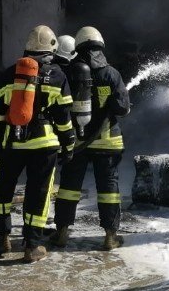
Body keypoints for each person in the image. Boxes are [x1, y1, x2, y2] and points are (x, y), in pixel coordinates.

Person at [0, 25, 75, 263]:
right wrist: (69, 144)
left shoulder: (8, 74)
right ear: (51, 49)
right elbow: (64, 117)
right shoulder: (57, 75)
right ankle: (31, 246)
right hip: (44, 145)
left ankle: (3, 239)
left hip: (11, 144)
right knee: (38, 193)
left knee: (2, 190)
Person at [50, 26, 130, 251]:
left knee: (68, 187)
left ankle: (62, 233)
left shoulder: (70, 72)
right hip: (108, 142)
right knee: (108, 190)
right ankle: (110, 236)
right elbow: (123, 109)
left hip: (77, 141)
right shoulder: (112, 74)